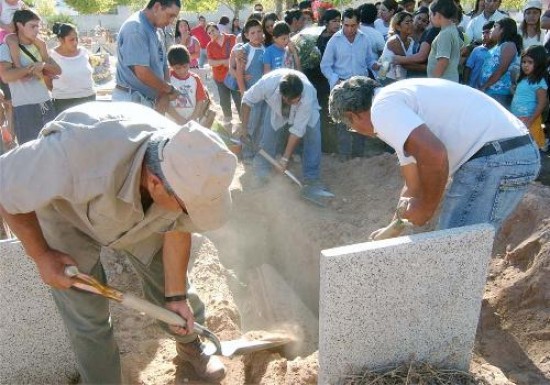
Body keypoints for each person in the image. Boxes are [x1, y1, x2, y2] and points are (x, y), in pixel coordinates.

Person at [0, 101, 237, 384]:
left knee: (172, 288)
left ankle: (189, 346)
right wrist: (41, 255)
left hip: (140, 211)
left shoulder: (188, 157)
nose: (189, 214)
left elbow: (179, 225)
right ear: (156, 183)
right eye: (187, 207)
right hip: (68, 214)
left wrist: (175, 297)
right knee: (87, 317)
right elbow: (4, 185)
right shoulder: (72, 154)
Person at [329, 76, 540, 232]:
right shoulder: (395, 103)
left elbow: (435, 156)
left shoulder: (383, 109)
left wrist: (426, 208)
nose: (356, 132)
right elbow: (413, 185)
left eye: (350, 126)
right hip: (510, 152)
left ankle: (455, 293)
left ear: (352, 116)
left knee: (455, 246)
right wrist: (394, 227)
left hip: (497, 157)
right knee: (458, 244)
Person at [239, 69, 323, 189]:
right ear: (284, 97)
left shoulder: (307, 94)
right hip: (276, 108)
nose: (297, 102)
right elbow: (246, 100)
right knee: (268, 137)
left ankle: (311, 178)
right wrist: (244, 129)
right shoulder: (267, 84)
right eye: (294, 101)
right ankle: (262, 172)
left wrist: (284, 159)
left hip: (309, 110)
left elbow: (297, 131)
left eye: (298, 99)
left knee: (313, 137)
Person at [321, 7, 378, 159]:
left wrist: (376, 65)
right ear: (342, 24)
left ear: (358, 24)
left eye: (352, 25)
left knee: (363, 120)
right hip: (342, 87)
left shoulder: (364, 38)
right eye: (346, 25)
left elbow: (369, 60)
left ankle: (359, 156)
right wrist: (335, 79)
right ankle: (344, 157)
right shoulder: (335, 40)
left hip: (361, 87)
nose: (349, 29)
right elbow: (325, 65)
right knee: (343, 123)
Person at [0, 9, 61, 145]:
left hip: (46, 103)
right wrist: (32, 69)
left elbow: (58, 70)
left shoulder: (38, 45)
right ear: (20, 25)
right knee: (30, 151)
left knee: (52, 148)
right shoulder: (6, 47)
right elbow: (5, 76)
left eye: (38, 26)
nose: (37, 30)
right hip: (24, 107)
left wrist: (43, 64)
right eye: (32, 26)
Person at [113, 0, 181, 111]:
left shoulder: (157, 31)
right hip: (131, 103)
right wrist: (169, 89)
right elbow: (142, 72)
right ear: (157, 7)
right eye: (170, 15)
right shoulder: (135, 28)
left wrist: (164, 94)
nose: (172, 21)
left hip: (148, 101)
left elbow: (163, 66)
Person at [48, 22, 95, 114]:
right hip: (64, 103)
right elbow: (47, 81)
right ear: (61, 40)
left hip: (89, 99)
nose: (75, 42)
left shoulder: (84, 52)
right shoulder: (51, 56)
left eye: (77, 38)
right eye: (71, 40)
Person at [479, 17, 522, 109]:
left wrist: (485, 85)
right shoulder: (498, 46)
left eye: (495, 27)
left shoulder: (509, 45)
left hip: (499, 92)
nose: (491, 30)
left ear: (502, 30)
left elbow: (502, 69)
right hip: (489, 90)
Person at [511, 45, 548, 150]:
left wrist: (530, 121)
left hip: (530, 120)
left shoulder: (539, 82)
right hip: (518, 119)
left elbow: (542, 103)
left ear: (539, 64)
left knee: (531, 148)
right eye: (524, 62)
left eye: (530, 62)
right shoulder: (523, 79)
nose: (525, 65)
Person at [206, 23, 241, 124]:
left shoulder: (231, 38)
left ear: (218, 29)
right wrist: (223, 62)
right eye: (209, 33)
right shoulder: (210, 46)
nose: (211, 33)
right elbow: (210, 62)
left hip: (234, 74)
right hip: (220, 77)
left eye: (213, 30)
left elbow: (239, 51)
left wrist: (231, 61)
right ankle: (228, 119)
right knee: (224, 99)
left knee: (238, 97)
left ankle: (243, 119)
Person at [165, 45, 209, 125]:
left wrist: (193, 118)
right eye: (178, 68)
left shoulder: (195, 79)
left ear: (189, 63)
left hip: (191, 122)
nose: (182, 71)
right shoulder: (168, 79)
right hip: (172, 122)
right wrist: (179, 119)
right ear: (171, 66)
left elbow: (200, 100)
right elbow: (165, 101)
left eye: (185, 66)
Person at [426, 0, 462, 81]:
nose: (429, 18)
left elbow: (443, 61)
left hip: (442, 83)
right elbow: (461, 49)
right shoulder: (453, 29)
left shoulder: (445, 34)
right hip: (448, 81)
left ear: (438, 15)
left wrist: (433, 81)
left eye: (430, 15)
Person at [379, 11, 415, 84]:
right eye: (407, 23)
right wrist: (426, 68)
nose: (411, 25)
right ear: (398, 27)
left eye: (412, 22)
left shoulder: (411, 41)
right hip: (387, 79)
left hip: (400, 79)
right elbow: (406, 64)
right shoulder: (394, 41)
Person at [463, 21, 495, 88]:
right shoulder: (477, 50)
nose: (484, 35)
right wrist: (465, 85)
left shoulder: (498, 51)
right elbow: (468, 68)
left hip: (489, 89)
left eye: (488, 32)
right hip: (474, 88)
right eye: (483, 33)